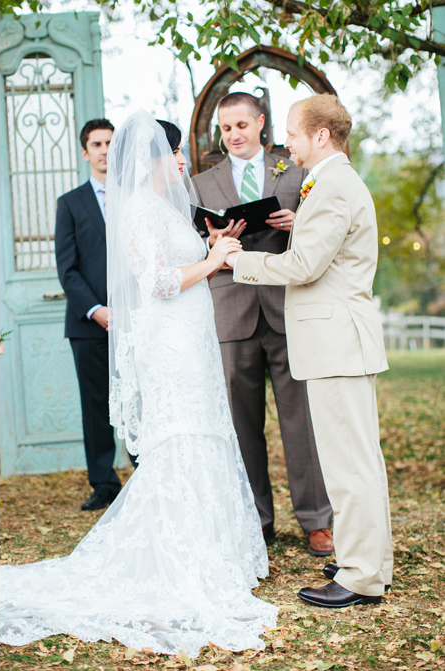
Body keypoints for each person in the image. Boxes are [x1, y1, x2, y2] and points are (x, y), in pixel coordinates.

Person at [0, 115, 276, 655]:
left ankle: (208, 548)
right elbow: (156, 284)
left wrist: (212, 249)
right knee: (183, 435)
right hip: (170, 346)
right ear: (152, 156)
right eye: (174, 153)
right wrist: (215, 260)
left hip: (189, 336)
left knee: (203, 431)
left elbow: (179, 267)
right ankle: (180, 555)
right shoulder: (140, 209)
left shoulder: (166, 207)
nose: (180, 162)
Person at [227, 94, 391, 608]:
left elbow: (304, 267)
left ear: (320, 135)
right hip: (337, 342)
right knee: (358, 461)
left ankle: (361, 575)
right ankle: (369, 564)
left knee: (350, 466)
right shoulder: (330, 183)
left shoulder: (335, 186)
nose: (287, 142)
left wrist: (239, 259)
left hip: (337, 343)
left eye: (294, 133)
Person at [191, 92, 333, 555]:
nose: (233, 135)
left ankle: (316, 520)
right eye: (226, 128)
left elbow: (322, 233)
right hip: (231, 310)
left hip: (287, 307)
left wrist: (298, 223)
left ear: (260, 124)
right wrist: (213, 239)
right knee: (240, 423)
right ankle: (256, 520)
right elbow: (190, 252)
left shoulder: (295, 171)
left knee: (300, 420)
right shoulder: (201, 183)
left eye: (241, 125)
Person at [55, 118, 125, 511]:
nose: (103, 150)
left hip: (135, 320)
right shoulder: (70, 203)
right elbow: (67, 268)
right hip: (88, 325)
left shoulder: (135, 197)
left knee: (137, 396)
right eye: (96, 144)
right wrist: (96, 310)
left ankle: (146, 469)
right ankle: (104, 483)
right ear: (85, 152)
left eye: (109, 143)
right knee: (96, 403)